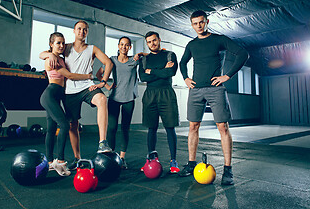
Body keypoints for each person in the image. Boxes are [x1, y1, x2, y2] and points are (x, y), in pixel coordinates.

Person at [178, 10, 249, 185]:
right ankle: (191, 163)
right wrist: (186, 78)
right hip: (195, 90)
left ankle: (228, 170)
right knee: (193, 126)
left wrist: (227, 76)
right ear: (192, 25)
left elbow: (242, 54)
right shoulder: (191, 44)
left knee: (222, 127)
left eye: (201, 22)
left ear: (207, 21)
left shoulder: (219, 39)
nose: (198, 26)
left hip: (215, 89)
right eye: (195, 23)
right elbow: (182, 63)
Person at [40, 20, 113, 170]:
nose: (82, 31)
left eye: (85, 29)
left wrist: (103, 80)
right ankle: (76, 158)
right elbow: (46, 52)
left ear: (87, 32)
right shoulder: (65, 48)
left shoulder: (92, 48)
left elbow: (109, 63)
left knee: (102, 98)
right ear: (74, 31)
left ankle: (102, 141)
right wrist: (48, 54)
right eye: (79, 29)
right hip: (69, 90)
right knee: (71, 125)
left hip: (87, 87)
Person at [40, 32, 93, 176]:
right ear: (51, 44)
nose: (62, 46)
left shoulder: (61, 58)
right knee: (64, 125)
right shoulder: (53, 60)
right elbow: (69, 76)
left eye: (63, 43)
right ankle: (60, 161)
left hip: (56, 96)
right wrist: (89, 76)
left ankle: (50, 162)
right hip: (50, 95)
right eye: (58, 43)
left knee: (51, 128)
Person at [96, 36, 145, 169]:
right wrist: (106, 86)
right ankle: (111, 156)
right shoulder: (111, 61)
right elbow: (99, 75)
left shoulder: (134, 61)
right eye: (122, 44)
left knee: (125, 128)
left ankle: (122, 158)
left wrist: (139, 54)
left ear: (130, 47)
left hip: (129, 98)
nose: (124, 47)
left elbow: (149, 55)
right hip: (114, 98)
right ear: (118, 46)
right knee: (111, 128)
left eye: (127, 45)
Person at [138, 31, 180, 174]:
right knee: (151, 128)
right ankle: (151, 159)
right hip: (150, 95)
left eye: (154, 40)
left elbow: (170, 73)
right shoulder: (144, 59)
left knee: (170, 127)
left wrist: (152, 71)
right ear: (147, 43)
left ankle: (173, 161)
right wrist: (161, 70)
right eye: (149, 42)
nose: (152, 44)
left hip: (166, 93)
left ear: (159, 40)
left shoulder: (170, 55)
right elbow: (143, 77)